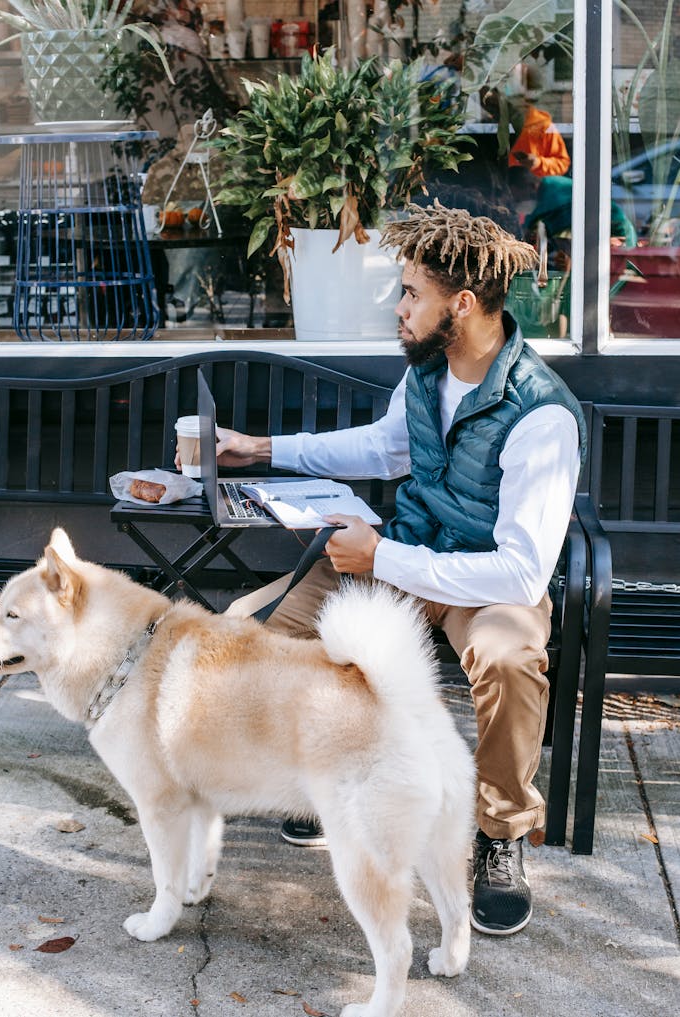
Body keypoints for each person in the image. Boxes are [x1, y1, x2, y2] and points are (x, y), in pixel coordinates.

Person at [215, 201, 587, 937]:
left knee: (511, 658)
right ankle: (329, 781)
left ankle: (501, 833)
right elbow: (381, 449)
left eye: (412, 293)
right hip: (405, 554)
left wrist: (384, 556)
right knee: (249, 630)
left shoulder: (543, 414)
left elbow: (518, 575)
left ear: (465, 304)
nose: (400, 307)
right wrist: (260, 448)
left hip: (478, 582)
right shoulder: (427, 372)